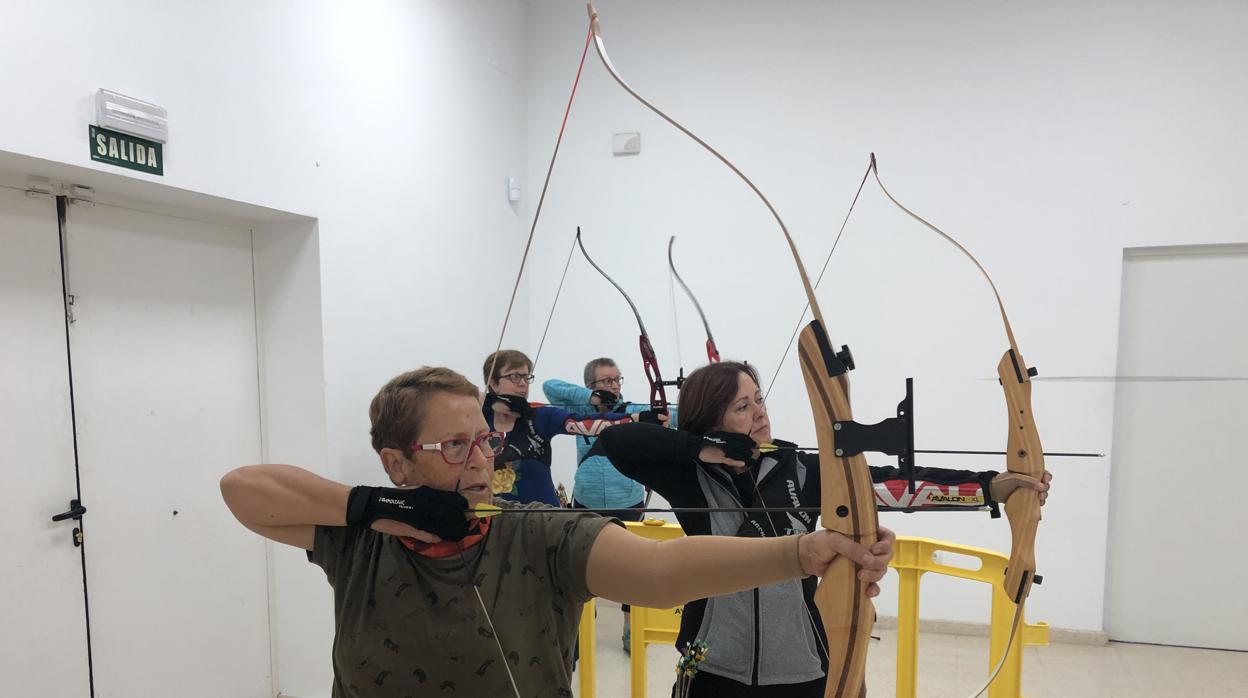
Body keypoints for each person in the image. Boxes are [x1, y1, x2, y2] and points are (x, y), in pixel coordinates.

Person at [219, 366, 896, 697]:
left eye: (484, 441)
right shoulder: (357, 538)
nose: (482, 460)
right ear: (397, 461)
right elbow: (243, 490)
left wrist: (803, 550)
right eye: (455, 447)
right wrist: (378, 507)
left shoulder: (539, 534)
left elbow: (659, 575)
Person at [595, 360, 1051, 698]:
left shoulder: (803, 470)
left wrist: (992, 488)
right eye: (741, 405)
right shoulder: (689, 476)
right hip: (713, 671)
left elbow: (892, 485)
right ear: (713, 421)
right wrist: (703, 449)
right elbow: (615, 441)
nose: (758, 412)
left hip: (804, 668)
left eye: (759, 399)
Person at [543, 356, 674, 651]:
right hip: (586, 500)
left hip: (627, 501)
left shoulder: (634, 411)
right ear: (592, 385)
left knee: (635, 566)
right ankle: (581, 627)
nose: (614, 385)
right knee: (579, 564)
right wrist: (591, 398)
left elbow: (671, 417)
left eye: (617, 379)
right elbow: (549, 387)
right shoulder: (578, 413)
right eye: (607, 381)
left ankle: (631, 628)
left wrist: (670, 414)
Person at [482, 350, 660, 506]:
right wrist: (493, 402)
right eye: (515, 377)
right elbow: (458, 390)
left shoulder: (541, 416)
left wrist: (637, 418)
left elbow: (585, 422)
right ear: (494, 382)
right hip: (496, 521)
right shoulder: (478, 417)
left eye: (526, 377)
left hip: (543, 521)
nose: (523, 383)